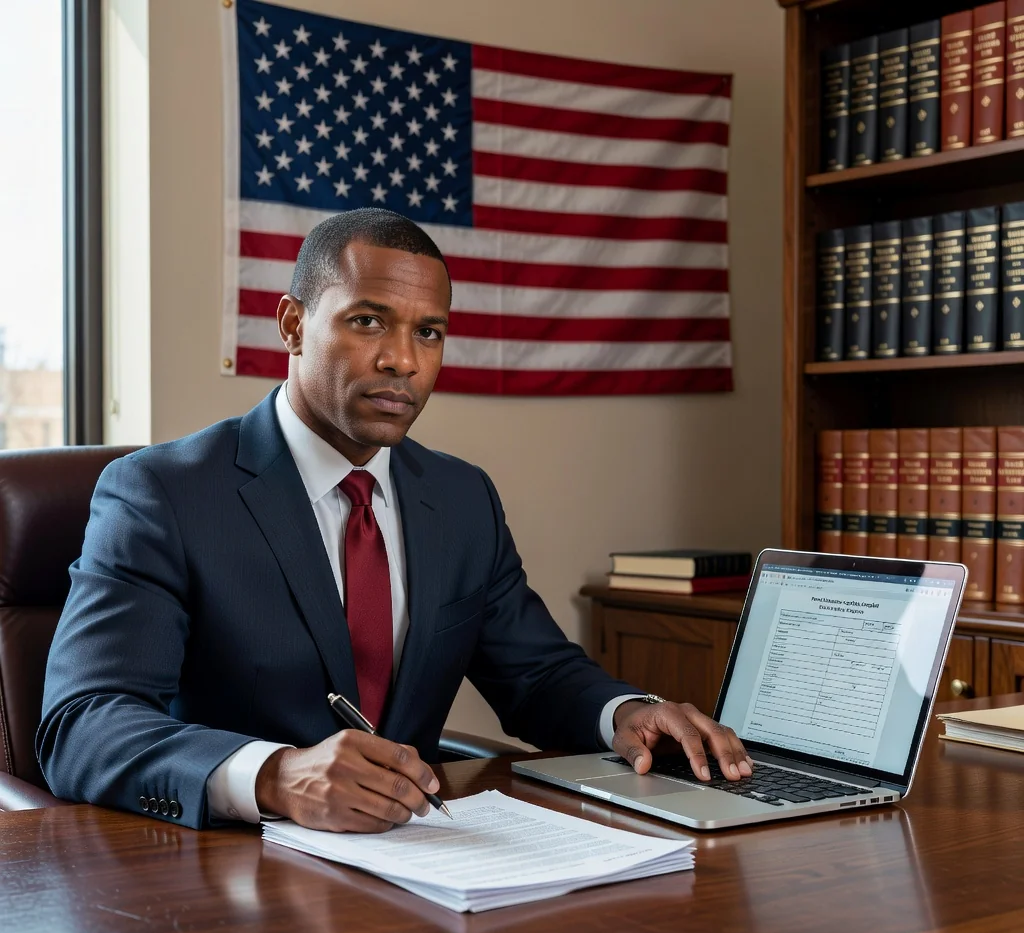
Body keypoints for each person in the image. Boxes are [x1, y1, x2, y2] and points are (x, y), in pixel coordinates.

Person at [37, 209, 752, 832]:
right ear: (293, 325)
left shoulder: (462, 497)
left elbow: (535, 675)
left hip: (422, 865)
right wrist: (275, 776)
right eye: (368, 321)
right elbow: (84, 724)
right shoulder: (163, 493)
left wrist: (625, 713)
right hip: (225, 870)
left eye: (429, 332)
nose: (403, 360)